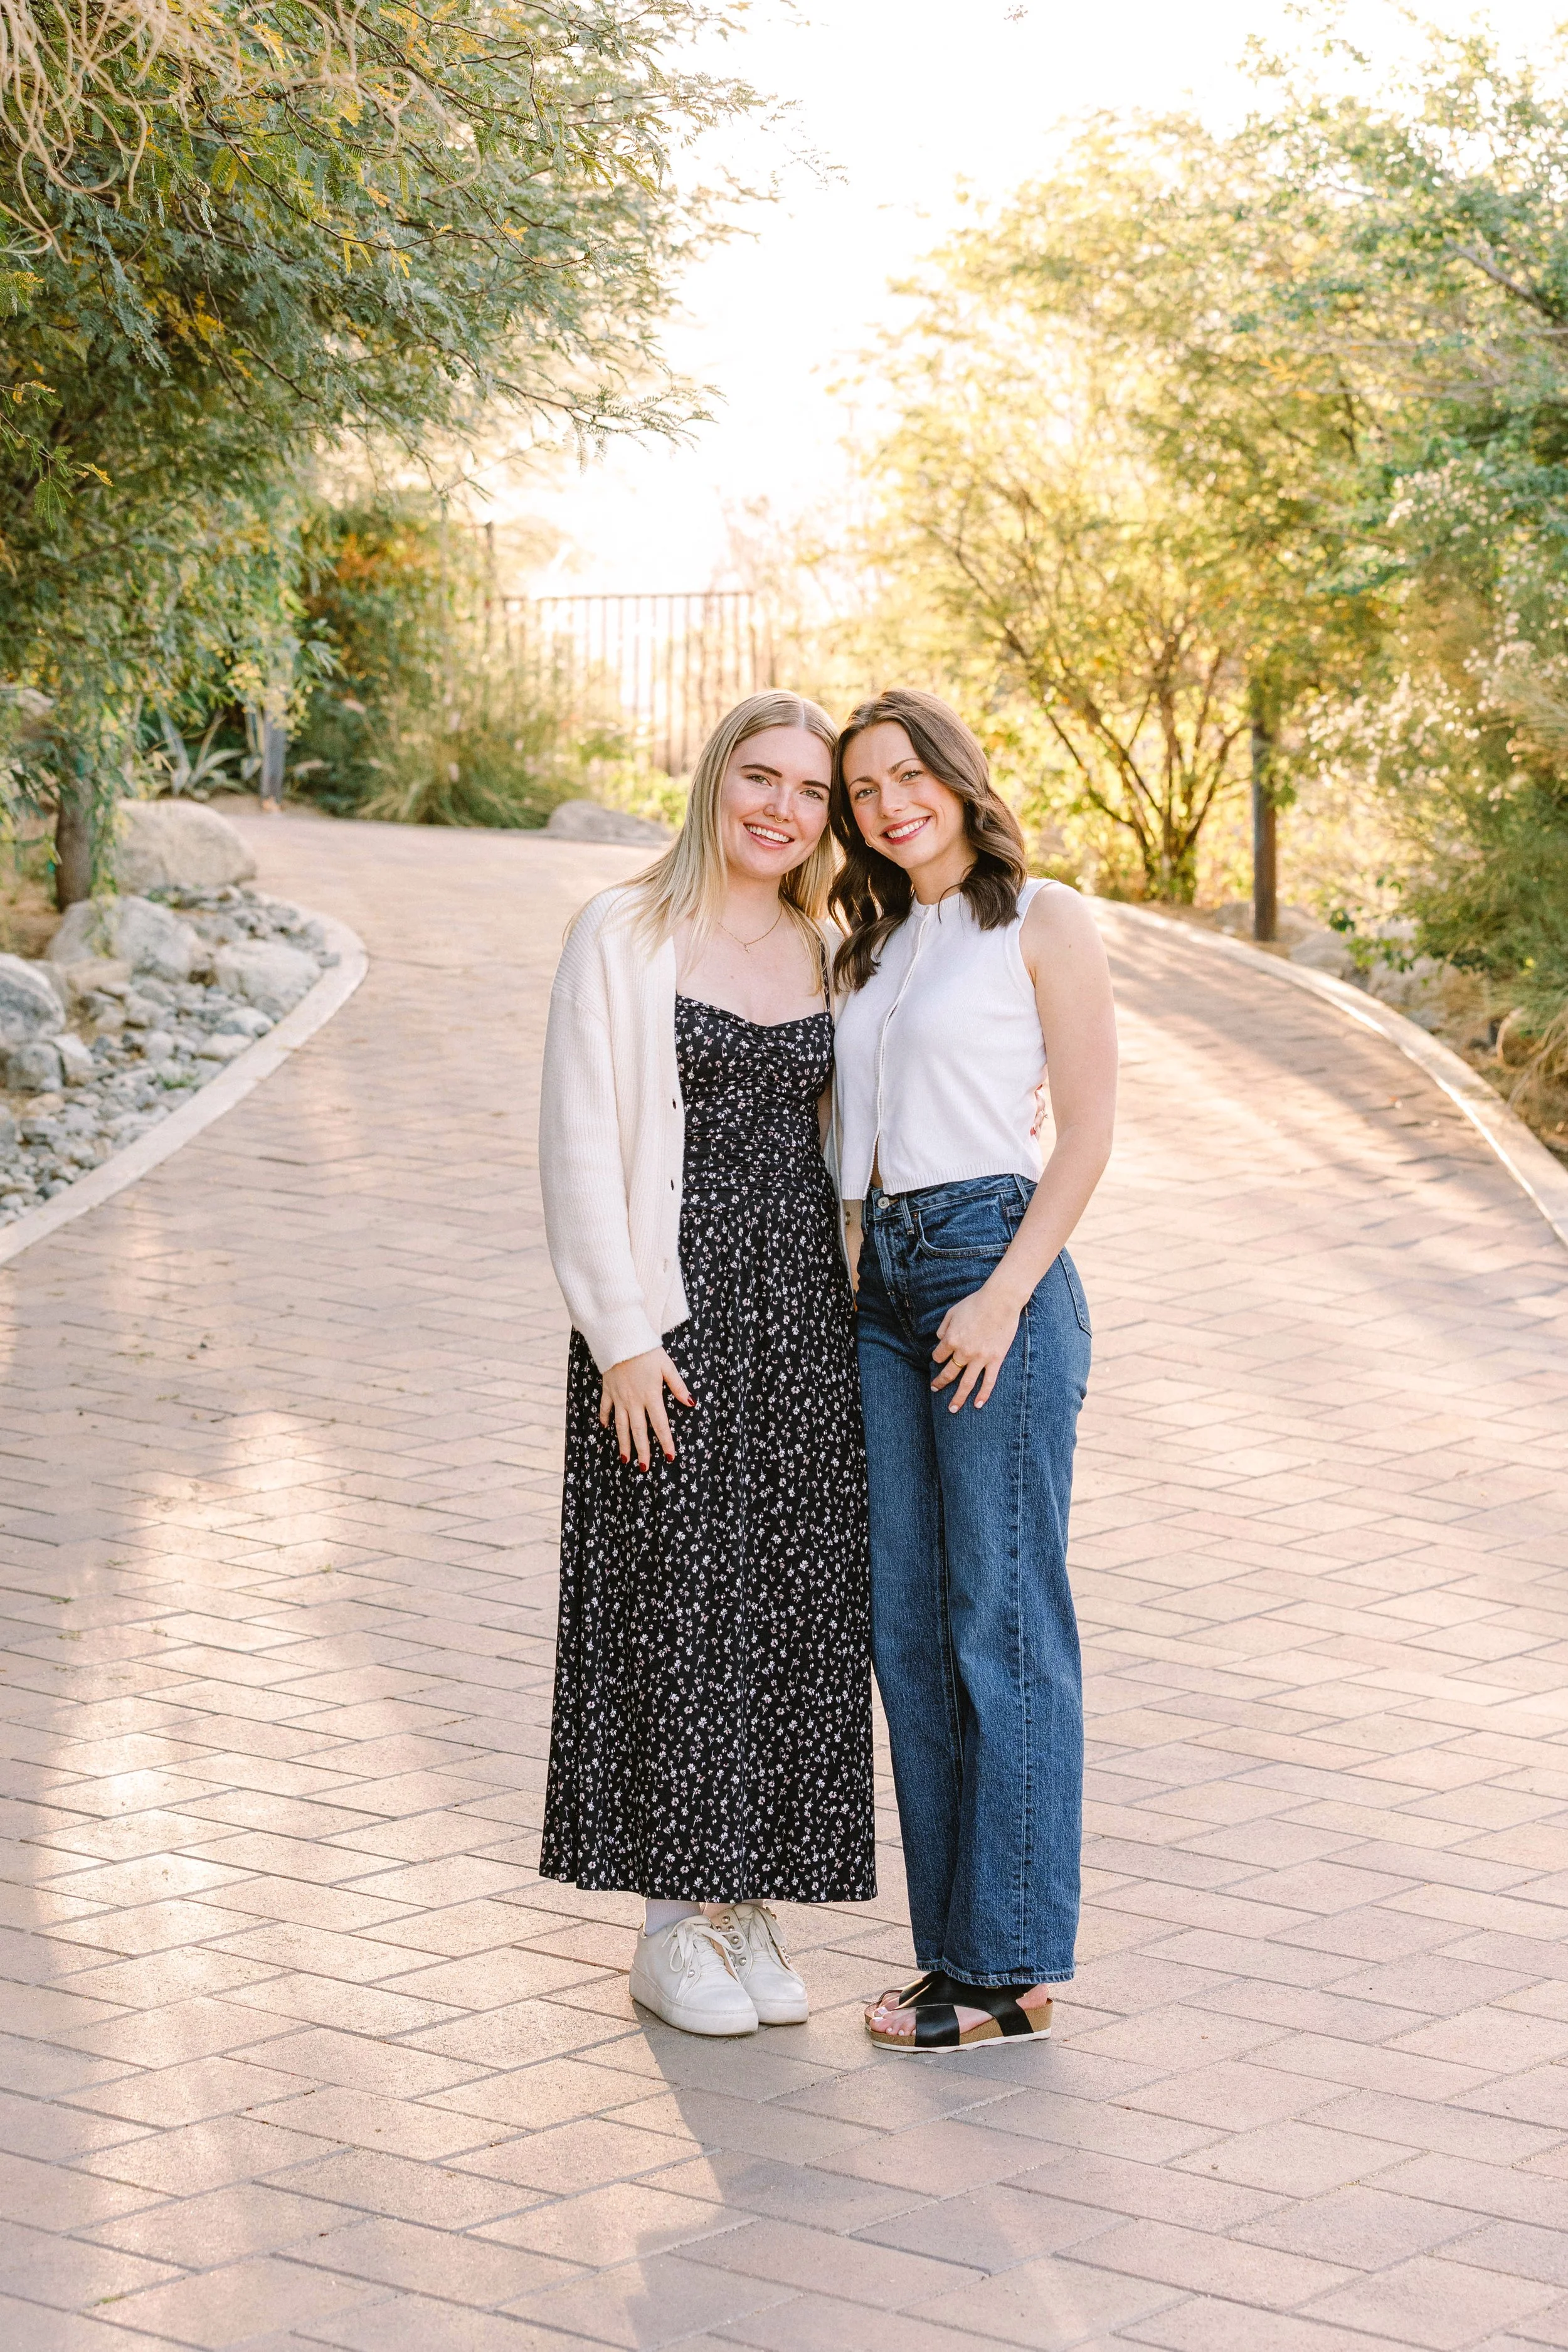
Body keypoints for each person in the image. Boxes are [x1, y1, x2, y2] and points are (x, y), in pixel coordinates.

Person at [537, 691, 874, 2038]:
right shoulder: (619, 933)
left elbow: (885, 1107)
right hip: (664, 1327)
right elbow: (575, 1140)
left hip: (802, 1316)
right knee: (671, 1607)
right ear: (713, 781)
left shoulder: (834, 947)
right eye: (761, 777)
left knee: (790, 1612)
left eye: (809, 792)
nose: (782, 809)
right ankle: (669, 1926)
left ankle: (748, 1904)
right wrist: (617, 1335)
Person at [830, 687, 1116, 2053]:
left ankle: (1012, 1969)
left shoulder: (1038, 918)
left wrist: (1002, 1299)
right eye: (863, 790)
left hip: (988, 1265)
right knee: (907, 1627)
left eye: (906, 775)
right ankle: (955, 1953)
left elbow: (1087, 1132)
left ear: (953, 773)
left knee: (1000, 1624)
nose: (889, 804)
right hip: (881, 1289)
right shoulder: (870, 945)